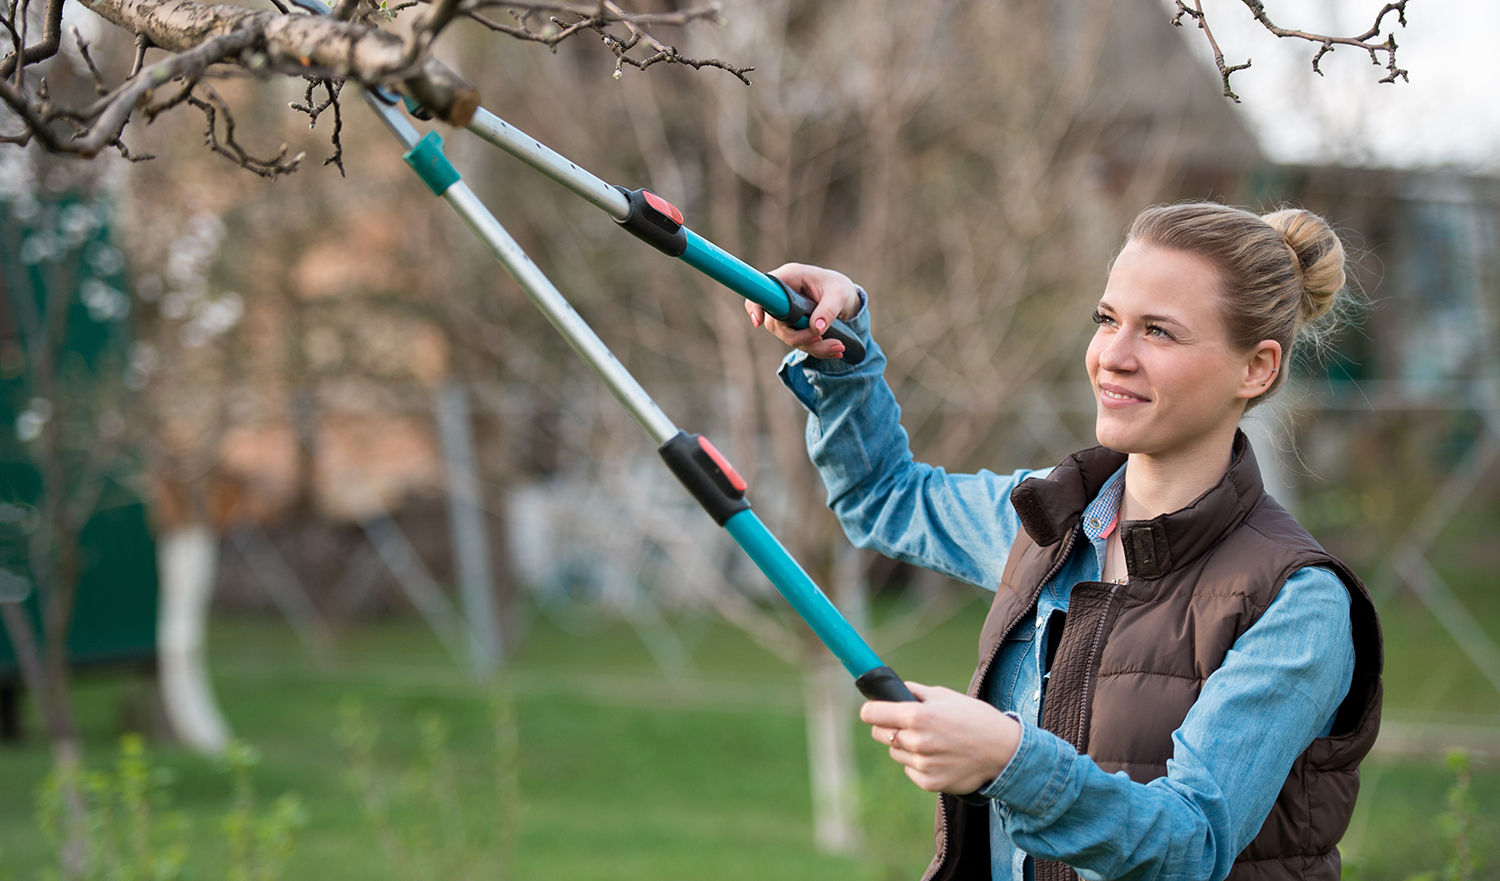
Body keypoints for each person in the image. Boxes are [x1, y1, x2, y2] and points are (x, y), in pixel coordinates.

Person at [746, 202, 1383, 881]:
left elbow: (1188, 844)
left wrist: (1007, 761)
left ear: (1255, 369)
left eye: (1159, 333)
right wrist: (841, 344)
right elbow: (885, 497)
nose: (1113, 356)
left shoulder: (1298, 601)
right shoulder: (1050, 514)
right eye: (1107, 320)